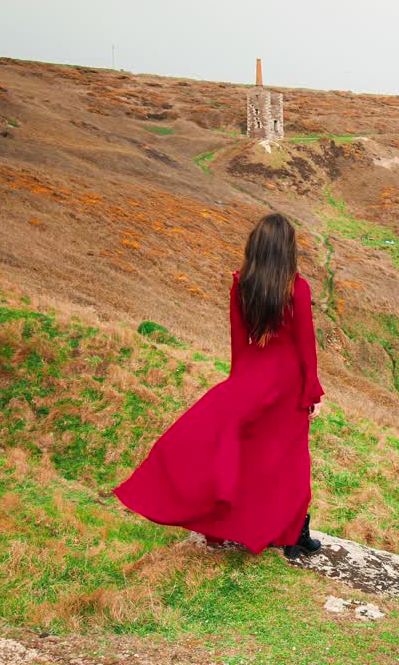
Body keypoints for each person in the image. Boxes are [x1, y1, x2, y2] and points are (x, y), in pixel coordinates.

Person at [113, 213, 324, 558]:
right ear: (287, 251)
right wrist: (311, 392)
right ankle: (294, 536)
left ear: (255, 247)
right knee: (290, 461)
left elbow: (239, 343)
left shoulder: (241, 284)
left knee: (247, 454)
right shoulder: (297, 289)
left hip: (251, 376)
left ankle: (238, 528)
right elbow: (306, 346)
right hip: (287, 382)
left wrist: (238, 386)